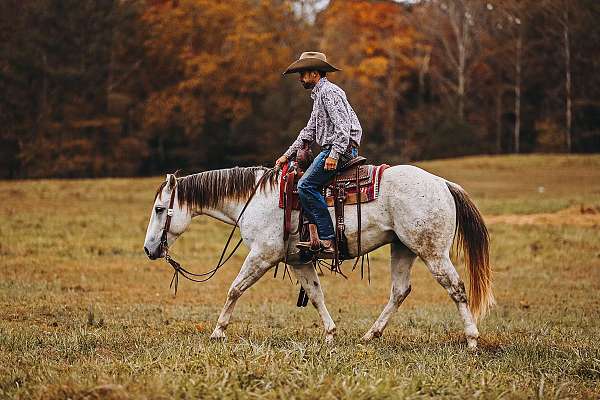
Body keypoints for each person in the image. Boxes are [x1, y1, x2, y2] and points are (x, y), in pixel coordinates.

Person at [275, 51, 363, 253]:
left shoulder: (329, 93)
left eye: (303, 73)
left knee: (306, 185)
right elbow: (309, 131)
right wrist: (286, 155)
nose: (300, 78)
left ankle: (327, 239)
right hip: (335, 147)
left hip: (341, 148)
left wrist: (334, 154)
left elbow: (343, 127)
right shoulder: (319, 96)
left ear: (315, 73)